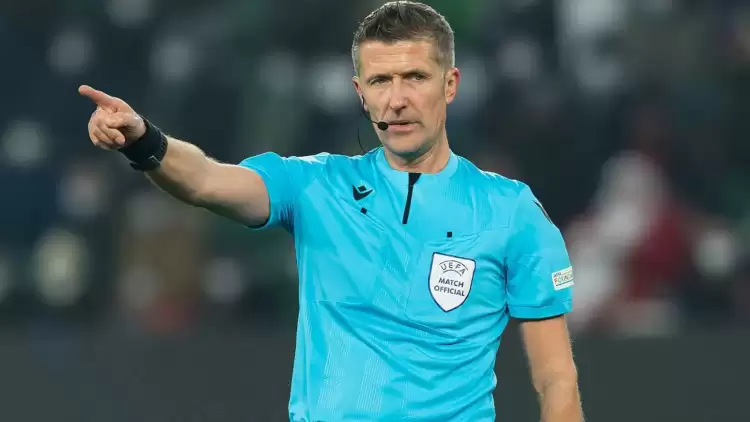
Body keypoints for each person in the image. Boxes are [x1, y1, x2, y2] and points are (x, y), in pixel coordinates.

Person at [79, 2, 583, 421]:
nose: (398, 99)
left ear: (450, 84)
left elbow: (556, 379)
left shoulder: (510, 211)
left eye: (415, 77)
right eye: (381, 81)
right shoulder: (315, 185)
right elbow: (206, 180)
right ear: (361, 93)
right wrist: (144, 140)